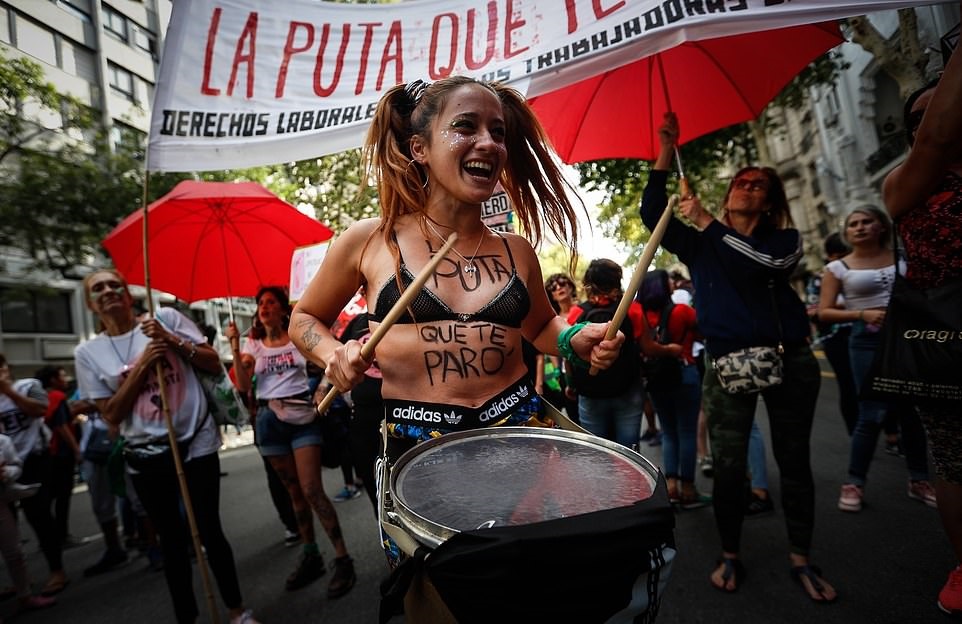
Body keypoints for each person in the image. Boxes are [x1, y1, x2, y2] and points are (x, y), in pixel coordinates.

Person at [288, 77, 623, 563]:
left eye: (498, 132)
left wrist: (576, 339)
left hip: (515, 434)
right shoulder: (369, 240)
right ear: (419, 147)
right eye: (466, 127)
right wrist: (330, 353)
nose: (488, 142)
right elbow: (307, 317)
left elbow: (539, 329)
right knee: (442, 592)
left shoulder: (517, 250)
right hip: (420, 448)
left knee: (527, 581)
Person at [640, 112, 836, 602]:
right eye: (740, 182)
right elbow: (650, 212)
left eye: (757, 184)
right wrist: (666, 148)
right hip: (728, 366)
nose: (746, 187)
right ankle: (730, 553)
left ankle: (801, 556)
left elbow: (765, 266)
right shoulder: (699, 245)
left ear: (769, 201)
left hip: (790, 362)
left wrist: (706, 221)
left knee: (793, 461)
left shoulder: (782, 242)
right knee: (727, 468)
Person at [73, 269, 260, 624]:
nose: (109, 290)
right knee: (171, 541)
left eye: (116, 285)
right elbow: (111, 413)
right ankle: (186, 617)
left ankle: (237, 611)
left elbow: (210, 362)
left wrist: (171, 340)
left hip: (195, 441)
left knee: (209, 528)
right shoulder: (88, 353)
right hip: (144, 453)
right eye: (99, 288)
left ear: (129, 295)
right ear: (90, 303)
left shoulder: (166, 318)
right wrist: (144, 363)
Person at [882, 33, 962, 618]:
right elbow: (936, 138)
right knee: (956, 461)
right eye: (916, 117)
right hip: (946, 341)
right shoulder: (907, 182)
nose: (928, 120)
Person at [226, 286, 356, 598]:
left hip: (302, 418)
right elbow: (243, 386)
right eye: (259, 303)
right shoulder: (251, 344)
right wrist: (233, 348)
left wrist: (322, 389)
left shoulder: (297, 337)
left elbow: (330, 359)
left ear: (284, 309)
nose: (263, 307)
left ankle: (342, 557)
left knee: (312, 489)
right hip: (269, 421)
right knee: (294, 492)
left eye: (270, 302)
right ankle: (311, 553)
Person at [817, 206, 935, 512]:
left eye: (866, 221)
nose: (859, 227)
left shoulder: (904, 256)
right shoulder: (838, 268)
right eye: (853, 223)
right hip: (865, 340)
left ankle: (919, 479)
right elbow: (824, 312)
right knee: (871, 413)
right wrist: (862, 313)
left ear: (881, 226)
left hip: (907, 339)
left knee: (911, 411)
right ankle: (855, 482)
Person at [637, 269, 708, 509]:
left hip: (656, 379)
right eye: (668, 280)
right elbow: (704, 331)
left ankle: (672, 487)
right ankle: (688, 488)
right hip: (684, 373)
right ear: (661, 286)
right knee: (686, 431)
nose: (672, 283)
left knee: (668, 432)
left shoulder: (641, 315)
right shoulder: (682, 311)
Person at [0, 354, 67, 597]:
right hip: (5, 465)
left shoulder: (29, 386)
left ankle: (57, 570)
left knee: (39, 515)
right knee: (8, 524)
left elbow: (41, 410)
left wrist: (9, 391)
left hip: (35, 460)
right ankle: (21, 581)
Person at [565, 259, 646, 450]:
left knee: (596, 454)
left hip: (590, 392)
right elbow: (646, 347)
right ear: (617, 280)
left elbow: (568, 355)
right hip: (628, 389)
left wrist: (570, 384)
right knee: (629, 454)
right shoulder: (633, 310)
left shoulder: (576, 313)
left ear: (588, 283)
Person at [0, 432, 56, 615]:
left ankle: (25, 596)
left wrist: (5, 472)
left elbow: (16, 467)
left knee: (14, 552)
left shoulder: (3, 441)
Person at [34, 366, 82, 548]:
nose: (66, 378)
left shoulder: (41, 398)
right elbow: (62, 426)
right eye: (62, 375)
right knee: (63, 496)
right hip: (61, 453)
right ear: (53, 380)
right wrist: (76, 449)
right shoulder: (58, 397)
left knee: (49, 496)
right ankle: (62, 536)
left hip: (48, 453)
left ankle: (49, 535)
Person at [544, 273, 583, 421]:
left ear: (570, 287)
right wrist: (557, 372)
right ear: (551, 296)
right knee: (574, 417)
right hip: (565, 374)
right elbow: (550, 345)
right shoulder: (553, 320)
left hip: (585, 372)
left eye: (562, 283)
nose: (559, 287)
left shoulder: (583, 311)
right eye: (554, 288)